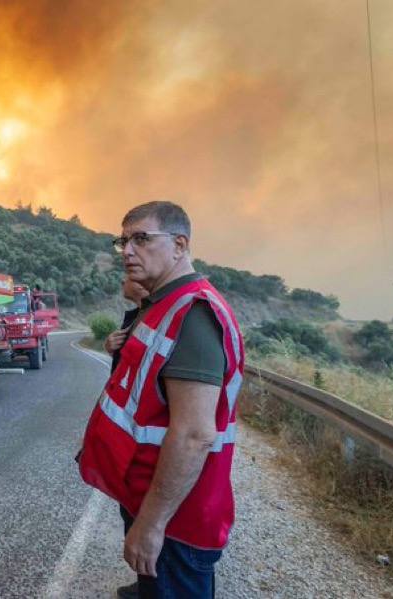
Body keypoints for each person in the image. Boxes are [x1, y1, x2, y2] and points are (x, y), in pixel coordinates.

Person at [78, 201, 244, 599]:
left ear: (179, 245)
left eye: (141, 239)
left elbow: (193, 435)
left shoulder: (191, 313)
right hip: (152, 494)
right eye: (123, 241)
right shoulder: (160, 304)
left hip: (176, 519)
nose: (127, 251)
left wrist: (151, 525)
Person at [104, 276, 149, 374]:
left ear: (141, 284)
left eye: (128, 276)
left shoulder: (153, 319)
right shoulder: (133, 317)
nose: (123, 280)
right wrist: (114, 351)